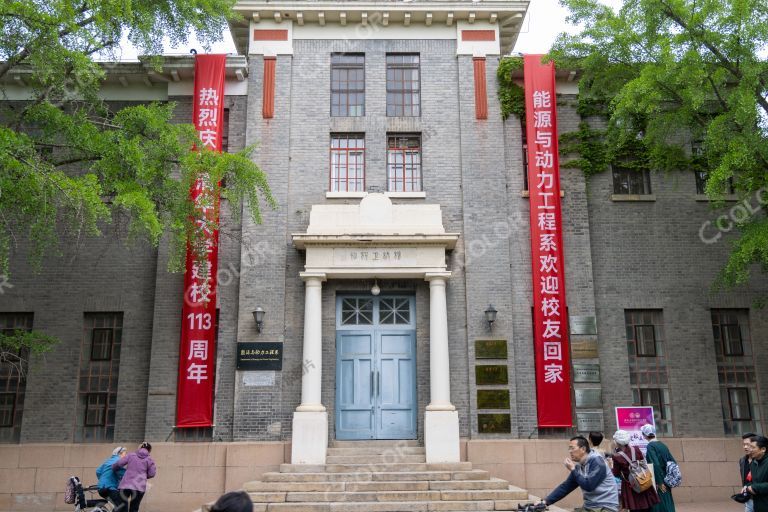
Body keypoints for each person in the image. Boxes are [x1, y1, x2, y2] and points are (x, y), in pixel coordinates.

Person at [541, 435, 619, 512]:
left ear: (583, 449)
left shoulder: (597, 462)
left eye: (572, 448)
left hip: (605, 506)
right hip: (590, 506)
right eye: (569, 448)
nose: (570, 451)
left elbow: (589, 486)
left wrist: (573, 469)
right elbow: (566, 487)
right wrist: (545, 502)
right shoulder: (579, 466)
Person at [611, 429, 660, 512]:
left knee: (635, 508)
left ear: (617, 441)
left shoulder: (616, 456)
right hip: (643, 480)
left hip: (630, 485)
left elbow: (616, 473)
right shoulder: (636, 449)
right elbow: (643, 463)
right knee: (647, 507)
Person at [112, 441, 156, 512]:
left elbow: (119, 464)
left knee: (122, 507)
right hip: (139, 487)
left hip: (125, 485)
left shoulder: (131, 455)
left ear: (140, 447)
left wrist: (114, 468)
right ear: (149, 450)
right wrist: (144, 476)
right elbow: (152, 474)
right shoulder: (150, 460)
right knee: (134, 508)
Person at [641, 424, 676, 512]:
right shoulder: (662, 445)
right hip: (666, 477)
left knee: (660, 503)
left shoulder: (651, 446)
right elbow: (672, 461)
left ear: (645, 434)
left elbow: (655, 464)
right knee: (667, 500)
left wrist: (659, 482)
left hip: (658, 478)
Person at [745, 435, 768, 512]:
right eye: (750, 447)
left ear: (763, 449)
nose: (750, 449)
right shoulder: (753, 464)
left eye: (753, 447)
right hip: (758, 506)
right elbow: (753, 481)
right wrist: (747, 487)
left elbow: (756, 485)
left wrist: (755, 487)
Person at [740, 432, 758, 512]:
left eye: (748, 444)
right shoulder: (742, 460)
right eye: (744, 444)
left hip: (762, 499)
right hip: (748, 499)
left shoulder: (762, 460)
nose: (745, 447)